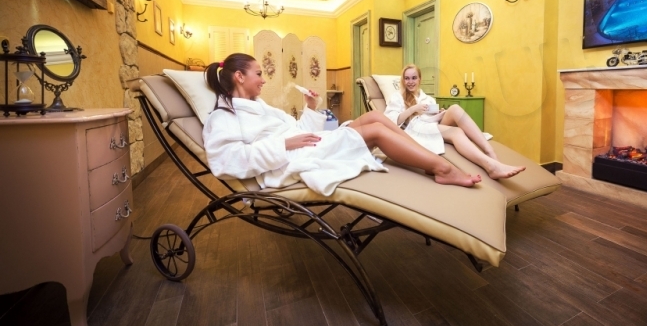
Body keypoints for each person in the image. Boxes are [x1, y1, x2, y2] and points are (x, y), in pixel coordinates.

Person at [202, 53, 480, 197]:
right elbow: (226, 161)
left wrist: (310, 107)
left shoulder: (260, 107)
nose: (263, 79)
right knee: (375, 131)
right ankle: (443, 169)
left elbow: (297, 131)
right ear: (239, 77)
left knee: (376, 117)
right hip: (289, 160)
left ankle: (424, 156)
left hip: (303, 146)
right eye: (258, 73)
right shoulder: (223, 117)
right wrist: (283, 145)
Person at [385, 64, 525, 180]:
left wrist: (440, 113)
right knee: (457, 132)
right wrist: (413, 109)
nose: (410, 81)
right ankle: (490, 166)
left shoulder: (428, 98)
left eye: (414, 78)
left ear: (420, 79)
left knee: (455, 109)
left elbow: (432, 117)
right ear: (403, 80)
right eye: (407, 78)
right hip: (414, 129)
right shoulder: (397, 97)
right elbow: (391, 121)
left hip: (432, 124)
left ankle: (490, 152)